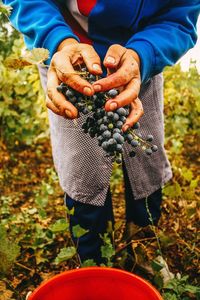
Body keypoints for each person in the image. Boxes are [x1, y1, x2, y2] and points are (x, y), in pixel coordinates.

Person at [4, 0, 200, 264]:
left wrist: (143, 54)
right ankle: (93, 260)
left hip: (139, 59)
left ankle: (144, 247)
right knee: (83, 169)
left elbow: (179, 17)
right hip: (68, 60)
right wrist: (57, 40)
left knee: (145, 159)